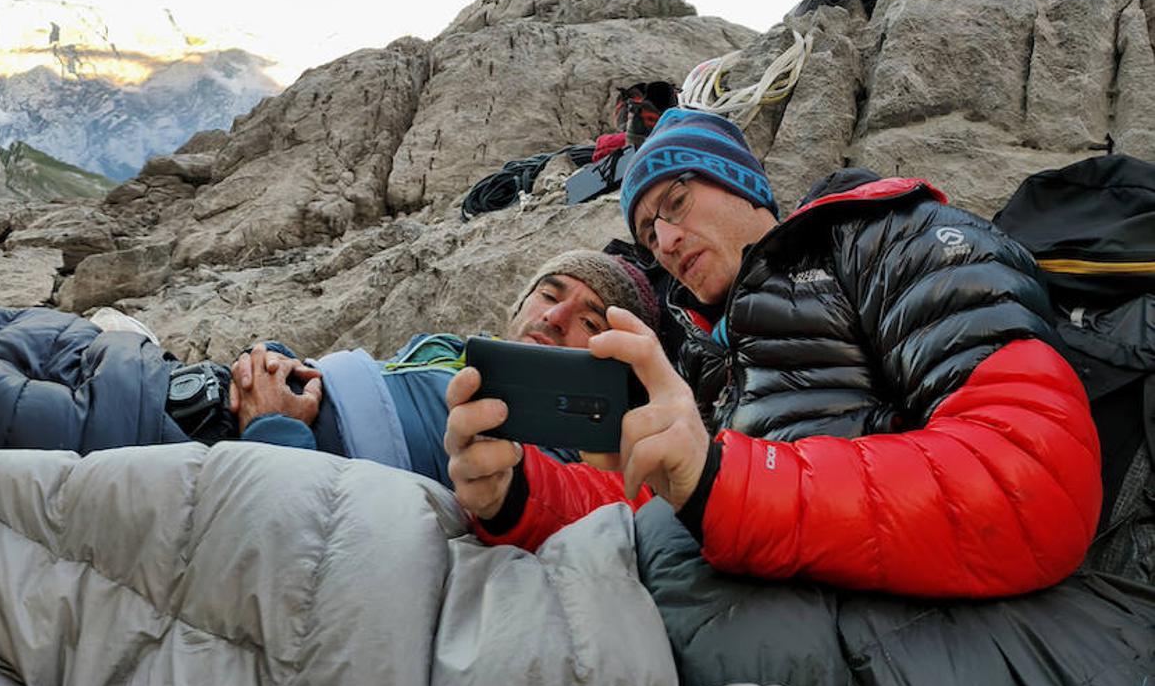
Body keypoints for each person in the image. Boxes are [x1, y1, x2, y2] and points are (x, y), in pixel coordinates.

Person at [445, 108, 1102, 597]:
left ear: (742, 185)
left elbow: (1030, 475)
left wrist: (722, 482)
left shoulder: (885, 235)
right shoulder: (706, 359)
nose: (667, 240)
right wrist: (517, 496)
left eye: (676, 202)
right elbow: (659, 506)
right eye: (649, 234)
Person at [228, 249, 657, 485]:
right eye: (548, 294)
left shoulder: (558, 462)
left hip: (263, 458)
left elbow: (328, 530)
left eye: (589, 321)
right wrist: (269, 363)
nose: (555, 316)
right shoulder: (444, 349)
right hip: (236, 406)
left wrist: (273, 429)